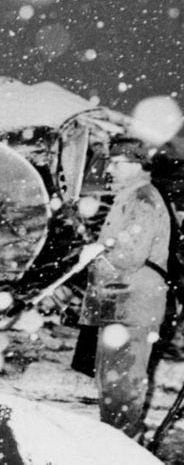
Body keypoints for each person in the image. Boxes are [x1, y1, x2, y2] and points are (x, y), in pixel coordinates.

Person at [77, 141, 170, 439]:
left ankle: (123, 448)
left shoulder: (142, 199)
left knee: (121, 385)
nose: (110, 169)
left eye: (117, 163)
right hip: (120, 304)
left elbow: (129, 255)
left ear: (136, 165)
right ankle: (116, 443)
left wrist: (98, 253)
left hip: (131, 305)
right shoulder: (130, 197)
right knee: (111, 382)